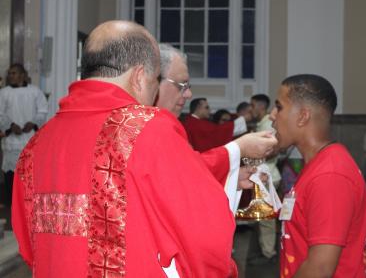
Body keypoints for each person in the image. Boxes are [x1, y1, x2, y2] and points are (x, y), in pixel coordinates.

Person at [11, 21, 263, 277]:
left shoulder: (37, 143)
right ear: (140, 77)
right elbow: (202, 233)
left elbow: (26, 240)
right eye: (156, 81)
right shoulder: (147, 127)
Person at [155, 43, 277, 212]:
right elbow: (179, 179)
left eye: (188, 86)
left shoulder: (167, 123)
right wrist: (239, 148)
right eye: (181, 85)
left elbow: (184, 175)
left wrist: (232, 177)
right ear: (152, 80)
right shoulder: (148, 126)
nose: (189, 94)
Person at [270, 74, 366, 277]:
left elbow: (321, 268)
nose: (272, 115)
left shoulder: (330, 175)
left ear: (302, 116)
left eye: (279, 107)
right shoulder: (318, 165)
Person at [0, 64, 48, 207]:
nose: (11, 76)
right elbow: (0, 113)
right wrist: (10, 125)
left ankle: (28, 203)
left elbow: (43, 111)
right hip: (12, 140)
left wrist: (33, 123)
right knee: (10, 173)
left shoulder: (35, 92)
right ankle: (11, 204)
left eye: (14, 73)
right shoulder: (4, 93)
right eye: (10, 73)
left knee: (29, 172)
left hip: (29, 138)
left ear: (22, 75)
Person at [248, 93, 282, 265]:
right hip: (264, 176)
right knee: (263, 218)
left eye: (252, 105)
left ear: (261, 106)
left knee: (266, 219)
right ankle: (266, 250)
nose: (250, 109)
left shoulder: (268, 123)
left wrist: (254, 155)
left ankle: (269, 253)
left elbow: (275, 148)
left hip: (268, 176)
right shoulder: (263, 123)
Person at [183, 98, 249, 152]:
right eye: (206, 108)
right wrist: (244, 119)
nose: (209, 110)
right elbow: (217, 132)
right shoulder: (195, 124)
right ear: (198, 108)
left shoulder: (192, 121)